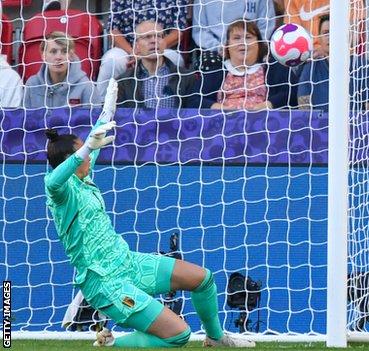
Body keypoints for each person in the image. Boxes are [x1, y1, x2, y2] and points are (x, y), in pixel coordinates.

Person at [44, 79, 255, 348]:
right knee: (179, 335)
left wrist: (108, 108)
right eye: (84, 152)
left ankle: (215, 338)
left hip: (127, 262)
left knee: (203, 279)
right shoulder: (59, 191)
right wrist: (87, 148)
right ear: (70, 160)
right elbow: (56, 180)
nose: (90, 154)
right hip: (105, 282)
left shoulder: (83, 175)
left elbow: (95, 137)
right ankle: (110, 346)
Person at [97, 0, 186, 100]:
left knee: (175, 59)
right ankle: (101, 107)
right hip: (127, 48)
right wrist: (133, 52)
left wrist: (155, 46)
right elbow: (113, 30)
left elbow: (178, 32)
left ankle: (170, 107)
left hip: (161, 47)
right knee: (111, 61)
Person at [201, 20, 295, 110]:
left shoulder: (274, 68)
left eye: (248, 37)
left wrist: (268, 105)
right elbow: (195, 100)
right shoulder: (216, 71)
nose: (243, 42)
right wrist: (222, 109)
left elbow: (291, 93)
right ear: (227, 45)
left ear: (259, 44)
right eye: (237, 38)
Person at [297, 14, 369, 112]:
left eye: (334, 32)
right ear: (319, 38)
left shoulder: (364, 67)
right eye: (325, 33)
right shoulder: (310, 68)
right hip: (319, 126)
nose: (329, 37)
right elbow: (304, 110)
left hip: (354, 126)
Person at [116, 20, 200, 109]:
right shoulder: (123, 82)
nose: (154, 40)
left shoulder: (187, 78)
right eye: (147, 37)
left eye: (158, 36)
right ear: (137, 46)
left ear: (164, 43)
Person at [192, 0, 275, 73]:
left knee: (275, 63)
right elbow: (199, 31)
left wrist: (256, 45)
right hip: (216, 52)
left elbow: (266, 25)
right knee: (208, 65)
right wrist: (220, 47)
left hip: (254, 47)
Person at [24, 31, 99, 108]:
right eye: (53, 52)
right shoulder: (32, 84)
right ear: (43, 55)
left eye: (64, 51)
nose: (58, 57)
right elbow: (24, 118)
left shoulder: (87, 87)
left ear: (71, 55)